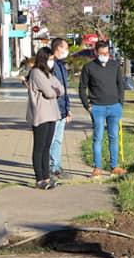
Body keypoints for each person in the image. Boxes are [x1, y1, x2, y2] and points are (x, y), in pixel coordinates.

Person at [79, 40, 126, 178]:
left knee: (114, 137)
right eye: (102, 53)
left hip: (114, 107)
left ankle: (114, 166)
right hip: (97, 107)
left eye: (107, 53)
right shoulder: (89, 67)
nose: (105, 55)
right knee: (98, 137)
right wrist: (87, 105)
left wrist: (120, 103)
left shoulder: (115, 65)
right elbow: (82, 87)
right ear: (96, 53)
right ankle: (97, 168)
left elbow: (120, 85)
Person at [27, 47, 64, 189]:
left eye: (52, 59)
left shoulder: (48, 73)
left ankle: (47, 176)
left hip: (52, 113)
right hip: (41, 114)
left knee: (47, 147)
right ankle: (39, 178)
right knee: (39, 147)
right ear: (43, 58)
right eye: (50, 59)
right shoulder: (36, 72)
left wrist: (54, 89)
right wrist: (53, 89)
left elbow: (61, 88)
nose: (52, 61)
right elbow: (49, 92)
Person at [49, 38, 72, 178]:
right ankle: (48, 168)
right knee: (50, 140)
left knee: (58, 140)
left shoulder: (61, 65)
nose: (67, 51)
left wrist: (68, 108)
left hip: (62, 109)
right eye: (66, 48)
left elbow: (65, 89)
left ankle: (56, 166)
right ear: (58, 48)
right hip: (53, 109)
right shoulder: (50, 64)